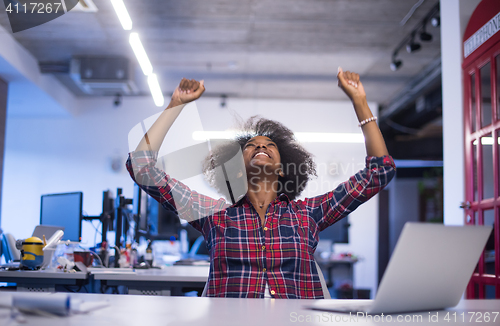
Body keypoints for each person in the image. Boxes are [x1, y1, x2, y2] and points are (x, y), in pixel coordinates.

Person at [126, 68, 396, 298]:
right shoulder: (214, 215)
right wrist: (176, 105)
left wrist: (360, 101)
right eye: (251, 147)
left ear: (281, 169)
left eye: (269, 146)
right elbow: (141, 167)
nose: (260, 147)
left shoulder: (308, 214)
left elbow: (379, 172)